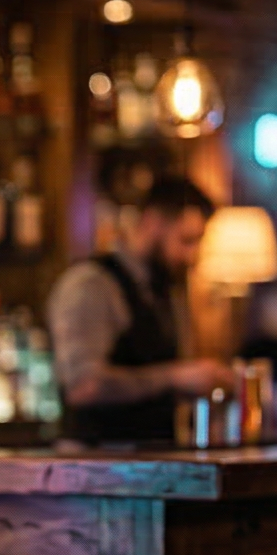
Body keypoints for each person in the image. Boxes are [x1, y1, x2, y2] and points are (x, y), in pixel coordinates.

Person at [49, 177, 230, 444]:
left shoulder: (165, 289)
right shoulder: (91, 283)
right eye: (186, 240)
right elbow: (83, 386)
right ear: (153, 222)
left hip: (150, 466)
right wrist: (176, 378)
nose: (192, 256)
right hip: (94, 470)